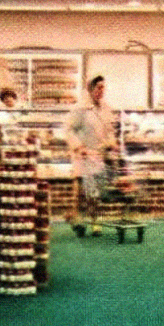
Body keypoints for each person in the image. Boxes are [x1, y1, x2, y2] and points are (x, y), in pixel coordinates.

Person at [64, 75, 116, 237]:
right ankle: (77, 220)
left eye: (103, 87)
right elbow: (69, 130)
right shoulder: (80, 109)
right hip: (83, 155)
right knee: (80, 193)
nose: (101, 91)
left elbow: (110, 130)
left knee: (95, 192)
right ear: (90, 89)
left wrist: (111, 143)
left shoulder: (106, 108)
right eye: (98, 87)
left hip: (98, 155)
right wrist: (79, 147)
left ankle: (95, 222)